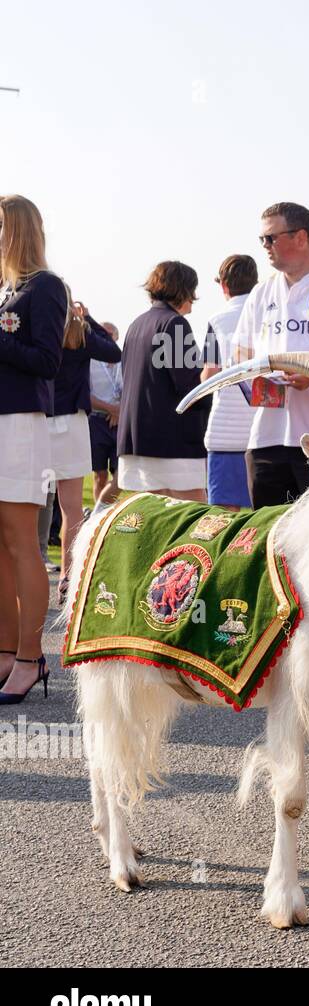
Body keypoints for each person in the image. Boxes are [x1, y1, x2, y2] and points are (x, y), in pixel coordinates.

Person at [233, 202, 309, 508]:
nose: (265, 246)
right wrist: (256, 378)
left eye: (271, 238)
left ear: (301, 238)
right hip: (266, 439)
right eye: (263, 240)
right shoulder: (261, 292)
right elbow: (240, 354)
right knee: (270, 538)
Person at [0, 195, 66, 704]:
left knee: (23, 542)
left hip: (21, 425)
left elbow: (46, 360)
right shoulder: (5, 289)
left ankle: (30, 657)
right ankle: (5, 652)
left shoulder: (45, 287)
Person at [117, 262, 210, 502]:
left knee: (152, 525)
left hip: (137, 439)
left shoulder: (136, 325)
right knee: (190, 522)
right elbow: (190, 387)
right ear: (184, 290)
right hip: (173, 443)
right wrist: (213, 390)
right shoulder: (174, 323)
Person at [52, 296, 121, 603]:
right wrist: (89, 319)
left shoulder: (35, 328)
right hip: (72, 421)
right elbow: (113, 350)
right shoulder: (78, 334)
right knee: (70, 509)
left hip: (36, 416)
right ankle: (68, 575)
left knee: (30, 508)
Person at [199, 255, 258, 509]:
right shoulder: (266, 314)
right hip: (262, 431)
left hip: (225, 432)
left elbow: (208, 376)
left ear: (224, 285)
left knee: (222, 516)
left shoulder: (217, 319)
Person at [88, 320, 122, 506]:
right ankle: (97, 515)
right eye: (104, 334)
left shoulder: (124, 360)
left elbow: (132, 390)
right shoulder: (91, 362)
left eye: (111, 334)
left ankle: (106, 510)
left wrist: (119, 411)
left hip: (120, 422)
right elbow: (86, 395)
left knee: (120, 474)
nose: (108, 338)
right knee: (100, 475)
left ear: (117, 337)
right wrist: (111, 409)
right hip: (97, 421)